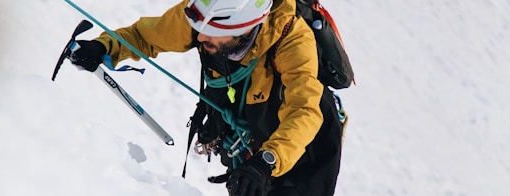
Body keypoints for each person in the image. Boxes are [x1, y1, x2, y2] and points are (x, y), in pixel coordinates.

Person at [70, 0, 344, 195]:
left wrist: (267, 161)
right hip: (247, 137)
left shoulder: (293, 41)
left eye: (212, 34)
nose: (199, 37)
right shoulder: (205, 13)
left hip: (304, 148)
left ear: (245, 29)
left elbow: (304, 111)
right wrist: (103, 46)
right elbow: (144, 36)